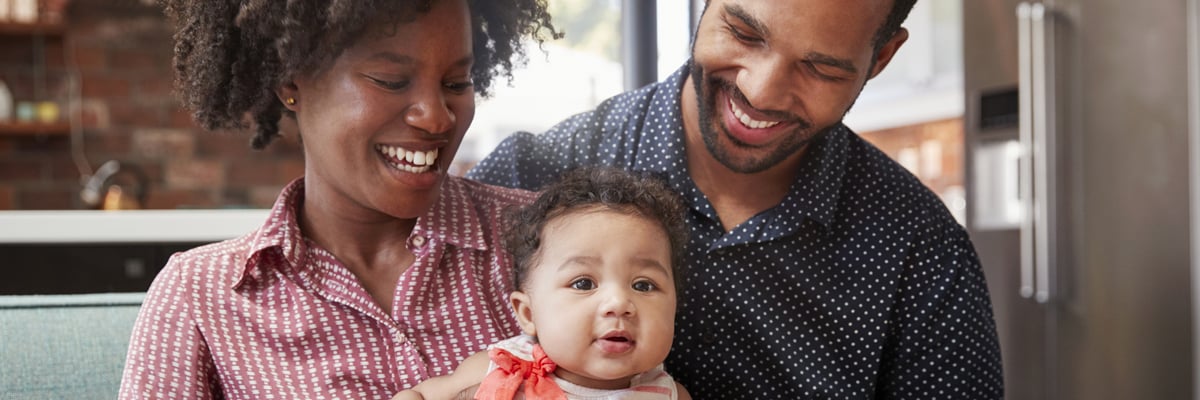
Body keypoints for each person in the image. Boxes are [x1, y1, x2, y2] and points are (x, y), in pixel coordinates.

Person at [467, 0, 1004, 398]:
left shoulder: (920, 247)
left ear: (881, 56)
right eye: (744, 33)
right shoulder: (525, 178)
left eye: (820, 69)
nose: (762, 92)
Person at [119, 0, 558, 398]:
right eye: (391, 81)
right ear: (290, 81)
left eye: (457, 83)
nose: (435, 115)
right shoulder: (200, 297)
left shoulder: (547, 239)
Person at [393, 167, 691, 400]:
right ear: (528, 314)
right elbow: (417, 395)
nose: (619, 303)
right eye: (584, 283)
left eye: (643, 285)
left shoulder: (668, 394)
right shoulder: (500, 367)